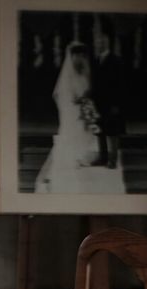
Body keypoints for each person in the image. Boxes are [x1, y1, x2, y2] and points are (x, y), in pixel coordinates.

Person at [33, 42, 101, 193]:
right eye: (77, 55)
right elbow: (63, 99)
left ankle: (84, 178)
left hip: (84, 115)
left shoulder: (85, 74)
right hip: (72, 116)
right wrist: (78, 109)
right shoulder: (67, 77)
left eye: (82, 55)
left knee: (87, 142)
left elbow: (88, 94)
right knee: (70, 142)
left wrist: (87, 108)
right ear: (71, 57)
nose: (80, 59)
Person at [89, 25, 126, 169]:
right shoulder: (96, 60)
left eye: (103, 41)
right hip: (99, 103)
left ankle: (112, 159)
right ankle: (102, 157)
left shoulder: (116, 60)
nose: (101, 43)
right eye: (99, 41)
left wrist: (117, 104)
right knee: (100, 130)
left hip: (112, 103)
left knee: (113, 131)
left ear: (108, 42)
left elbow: (121, 85)